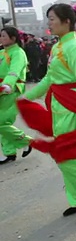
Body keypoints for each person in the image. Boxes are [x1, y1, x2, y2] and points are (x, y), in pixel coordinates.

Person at [22, 4, 76, 216]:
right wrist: (29, 96)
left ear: (66, 21)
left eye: (52, 19)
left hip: (73, 105)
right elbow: (50, 78)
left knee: (65, 153)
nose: (49, 23)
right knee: (62, 154)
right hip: (58, 105)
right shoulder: (58, 47)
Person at [0, 26, 32, 164]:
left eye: (4, 36)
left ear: (13, 38)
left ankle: (26, 141)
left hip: (12, 89)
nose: (1, 38)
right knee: (4, 122)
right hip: (2, 89)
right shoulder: (2, 53)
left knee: (2, 122)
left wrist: (8, 84)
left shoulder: (18, 53)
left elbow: (15, 70)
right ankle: (9, 152)